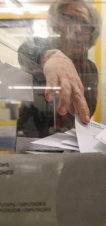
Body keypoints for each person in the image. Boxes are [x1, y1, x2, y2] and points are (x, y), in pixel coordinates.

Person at [17, 0, 101, 137]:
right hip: (34, 141)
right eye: (70, 20)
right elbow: (25, 50)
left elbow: (88, 111)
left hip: (74, 143)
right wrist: (49, 56)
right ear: (55, 26)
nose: (78, 30)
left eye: (85, 25)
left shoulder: (90, 68)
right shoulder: (41, 47)